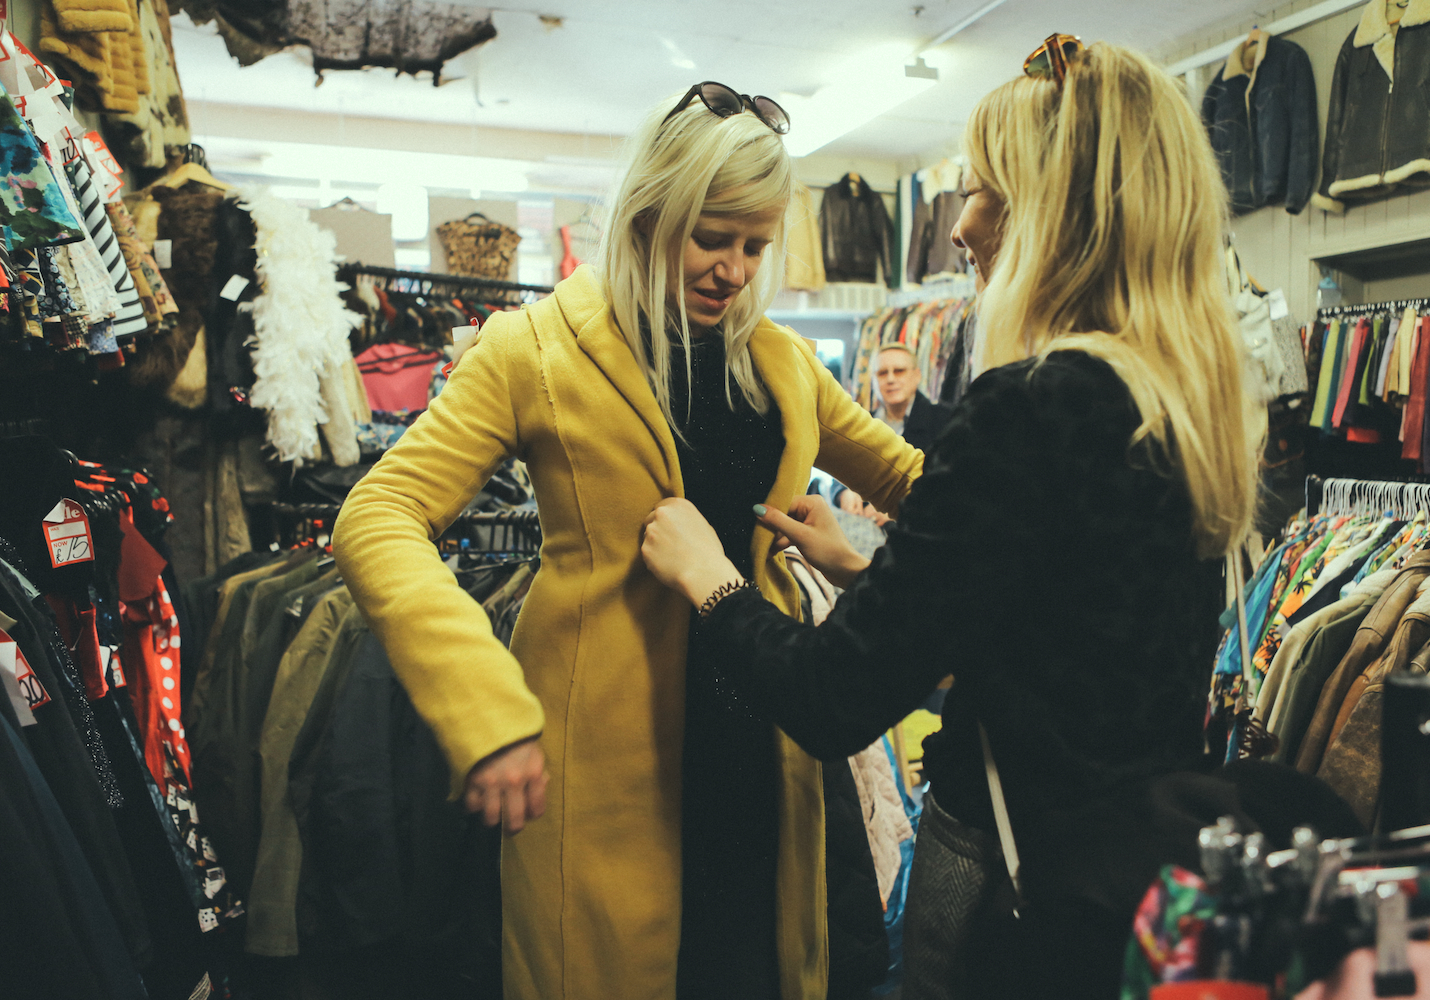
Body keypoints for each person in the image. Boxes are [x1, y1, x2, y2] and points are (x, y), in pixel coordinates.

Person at [641, 39, 1268, 999]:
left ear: (1049, 215)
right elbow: (1068, 639)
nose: (961, 227)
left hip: (1013, 889)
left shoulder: (1030, 404)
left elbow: (828, 701)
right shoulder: (1185, 407)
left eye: (978, 192)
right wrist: (870, 577)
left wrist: (708, 576)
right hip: (1138, 876)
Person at [331, 81, 924, 1000]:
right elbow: (378, 514)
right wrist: (483, 706)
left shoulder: (782, 363)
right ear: (651, 215)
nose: (733, 270)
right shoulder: (532, 350)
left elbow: (923, 488)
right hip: (601, 758)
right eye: (711, 237)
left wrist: (871, 562)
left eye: (754, 247)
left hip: (764, 737)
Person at [836, 342, 954, 521]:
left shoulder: (946, 420)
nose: (890, 379)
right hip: (866, 529)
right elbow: (838, 467)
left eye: (899, 371)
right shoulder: (862, 422)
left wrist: (900, 507)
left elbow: (952, 484)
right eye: (882, 373)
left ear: (917, 376)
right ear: (873, 381)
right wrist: (844, 492)